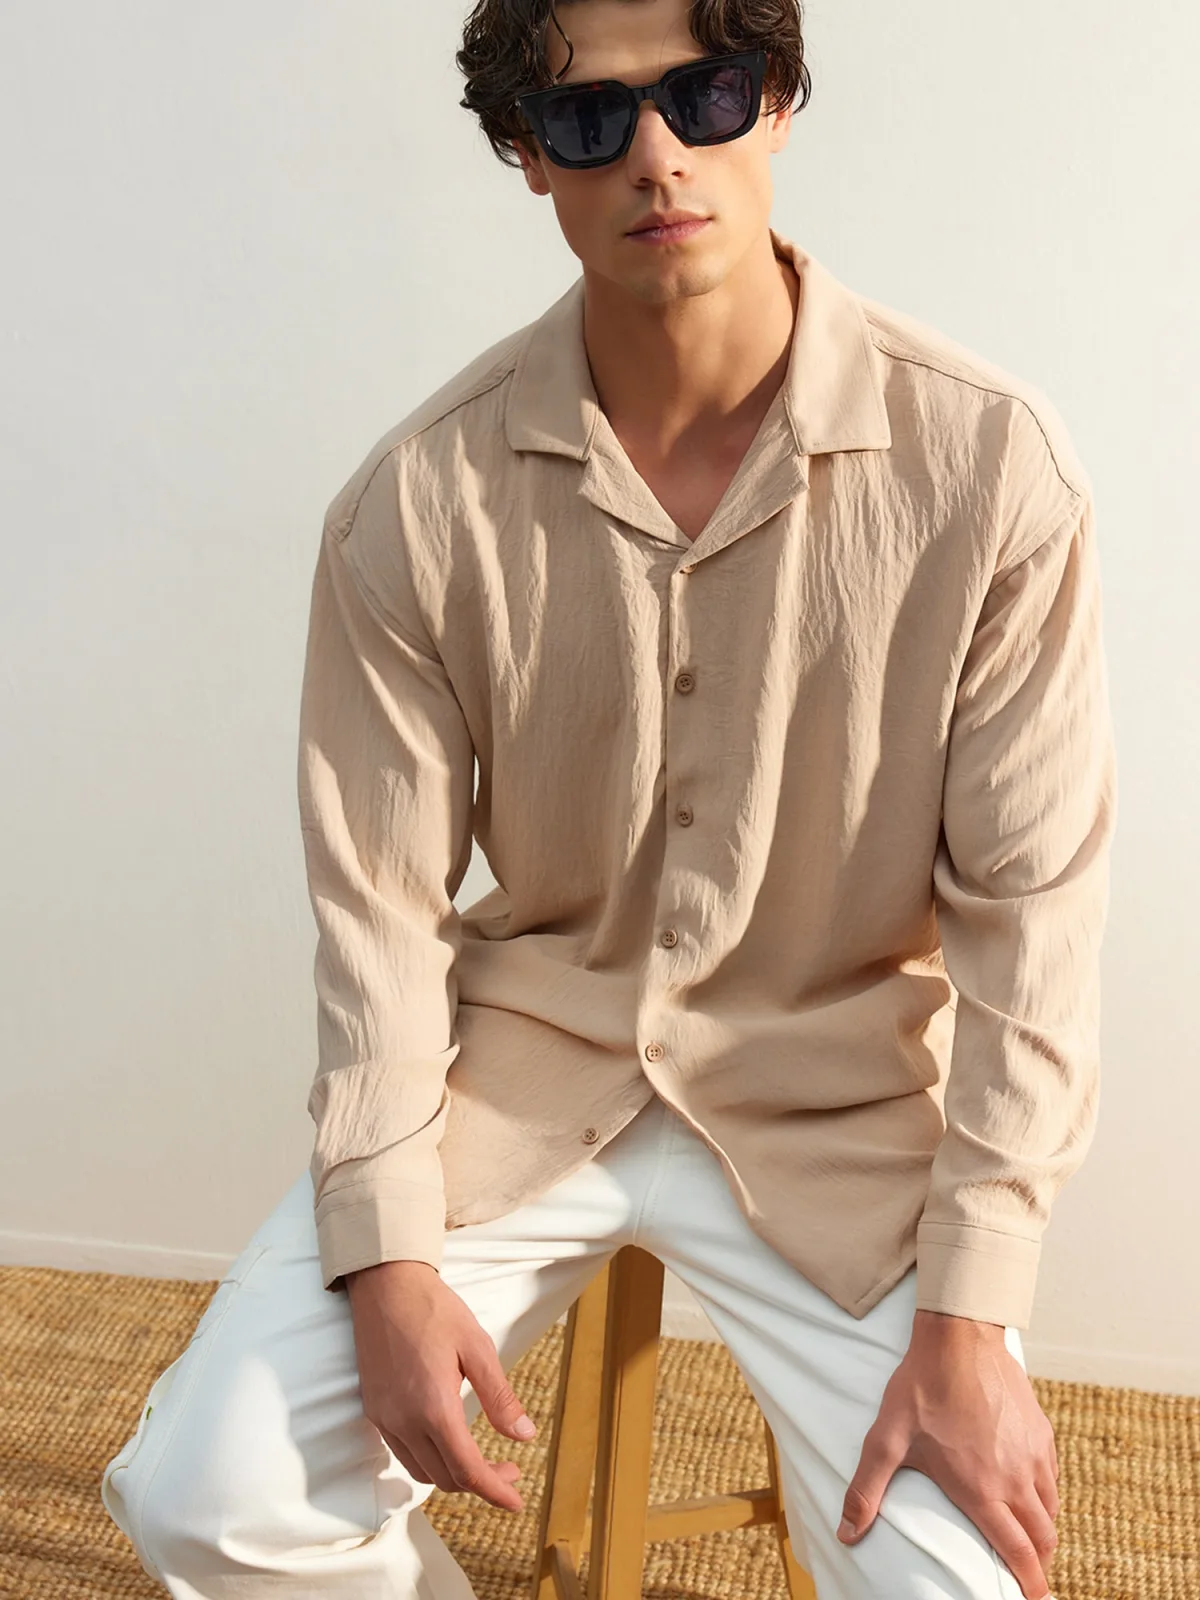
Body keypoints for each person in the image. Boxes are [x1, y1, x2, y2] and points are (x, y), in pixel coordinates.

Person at [99, 0, 1116, 1596]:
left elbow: (1034, 933)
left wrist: (973, 1315)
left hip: (835, 1102)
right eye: (589, 120)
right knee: (201, 1494)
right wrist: (387, 1249)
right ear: (529, 156)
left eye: (704, 95)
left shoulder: (991, 473)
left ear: (776, 102)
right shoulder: (413, 505)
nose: (656, 156)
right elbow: (378, 924)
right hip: (523, 1077)